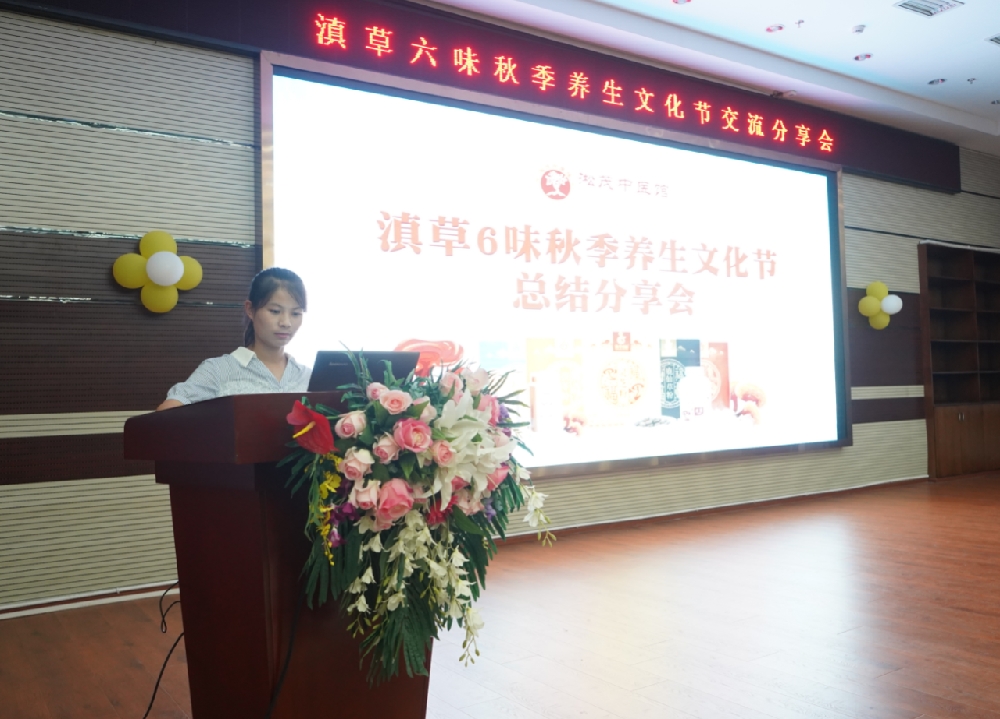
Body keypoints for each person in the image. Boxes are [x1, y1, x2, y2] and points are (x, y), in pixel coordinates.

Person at [156, 268, 311, 410]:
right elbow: (166, 413)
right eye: (275, 311)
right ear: (250, 309)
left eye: (295, 313)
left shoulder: (307, 376)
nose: (286, 323)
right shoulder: (218, 370)